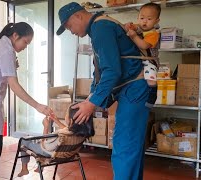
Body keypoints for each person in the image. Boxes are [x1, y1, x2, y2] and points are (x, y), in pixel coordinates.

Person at [56, 2, 151, 180]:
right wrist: (90, 98)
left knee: (124, 146)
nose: (71, 31)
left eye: (69, 26)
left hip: (134, 89)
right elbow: (99, 70)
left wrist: (91, 104)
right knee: (130, 146)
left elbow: (113, 71)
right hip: (133, 88)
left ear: (78, 15)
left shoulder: (101, 27)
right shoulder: (99, 27)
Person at [0, 22, 53, 180]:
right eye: (25, 42)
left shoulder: (1, 45)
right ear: (15, 36)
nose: (25, 47)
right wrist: (38, 106)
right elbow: (14, 85)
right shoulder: (6, 50)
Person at [17, 105, 93, 177]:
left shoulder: (60, 135)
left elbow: (44, 145)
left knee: (24, 141)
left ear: (70, 120)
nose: (65, 116)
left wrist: (46, 127)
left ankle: (24, 169)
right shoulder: (81, 133)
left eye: (66, 114)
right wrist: (56, 120)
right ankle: (40, 167)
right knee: (44, 139)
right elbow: (67, 130)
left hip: (49, 154)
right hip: (69, 154)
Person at [125, 2, 161, 107]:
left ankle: (153, 93)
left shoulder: (153, 34)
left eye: (149, 19)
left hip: (150, 61)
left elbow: (144, 45)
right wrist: (129, 25)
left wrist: (134, 36)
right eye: (141, 18)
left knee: (150, 79)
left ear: (156, 21)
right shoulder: (140, 27)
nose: (144, 21)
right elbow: (135, 27)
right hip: (138, 59)